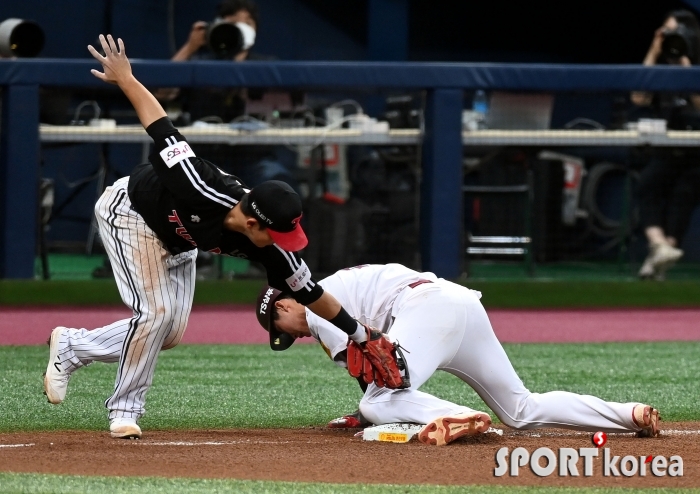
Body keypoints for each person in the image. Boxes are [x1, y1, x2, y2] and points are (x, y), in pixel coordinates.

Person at [43, 34, 385, 439]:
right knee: (154, 316)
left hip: (180, 240)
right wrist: (126, 79)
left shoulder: (271, 245)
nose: (284, 243)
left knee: (166, 335)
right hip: (132, 213)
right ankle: (124, 410)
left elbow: (311, 293)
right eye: (279, 234)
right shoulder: (199, 185)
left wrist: (362, 335)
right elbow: (161, 127)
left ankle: (73, 347)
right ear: (254, 224)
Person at [255, 263, 660, 446]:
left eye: (283, 332)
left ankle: (458, 416)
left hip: (426, 309)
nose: (294, 337)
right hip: (460, 304)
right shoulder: (333, 290)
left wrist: (365, 410)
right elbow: (382, 368)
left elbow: (381, 379)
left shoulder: (317, 307)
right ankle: (627, 414)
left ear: (282, 307)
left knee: (378, 401)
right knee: (520, 409)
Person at [631, 10, 700, 280]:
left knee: (685, 192)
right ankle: (660, 246)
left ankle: (662, 253)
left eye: (676, 32)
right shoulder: (658, 70)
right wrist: (654, 49)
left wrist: (687, 67)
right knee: (648, 182)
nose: (672, 38)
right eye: (666, 31)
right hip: (666, 147)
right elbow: (638, 97)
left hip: (696, 151)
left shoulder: (694, 66)